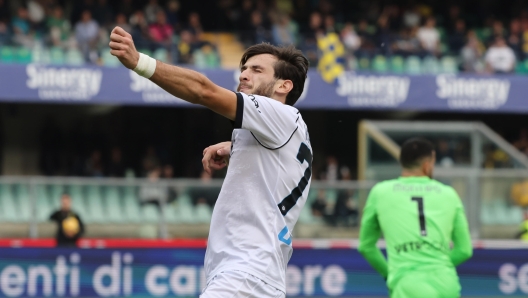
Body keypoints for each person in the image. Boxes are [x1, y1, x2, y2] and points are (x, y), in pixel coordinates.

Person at [109, 24, 310, 298]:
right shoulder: (289, 130)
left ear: (284, 86)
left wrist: (139, 62)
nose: (244, 74)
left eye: (257, 70)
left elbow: (204, 91)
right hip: (259, 277)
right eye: (244, 68)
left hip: (243, 276)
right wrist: (235, 147)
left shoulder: (280, 114)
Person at [358, 138, 473, 298]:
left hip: (408, 285)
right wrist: (439, 264)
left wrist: (390, 273)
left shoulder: (380, 192)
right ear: (428, 164)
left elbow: (366, 246)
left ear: (402, 162)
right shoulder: (449, 194)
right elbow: (464, 250)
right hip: (447, 284)